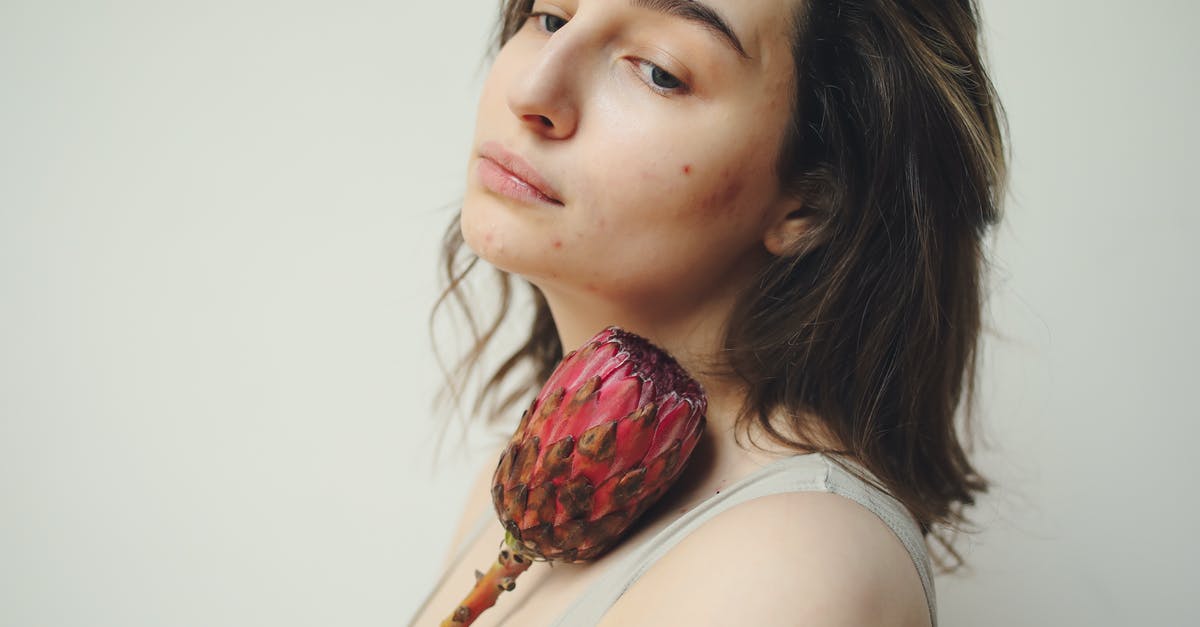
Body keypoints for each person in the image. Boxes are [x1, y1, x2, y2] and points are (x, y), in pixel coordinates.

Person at [412, 0, 1006, 625]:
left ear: (813, 199)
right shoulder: (524, 482)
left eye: (660, 71)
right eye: (551, 18)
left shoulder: (789, 567)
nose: (533, 90)